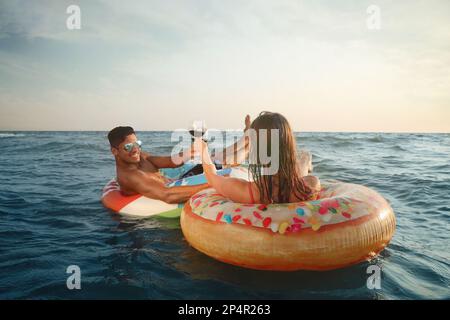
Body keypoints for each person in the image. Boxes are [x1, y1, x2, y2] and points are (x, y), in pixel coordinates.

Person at [195, 112, 321, 204]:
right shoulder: (309, 186)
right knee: (305, 157)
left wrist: (203, 150)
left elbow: (212, 178)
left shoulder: (248, 192)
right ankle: (248, 135)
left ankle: (247, 136)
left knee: (225, 156)